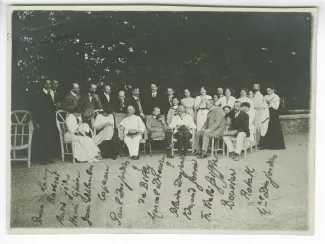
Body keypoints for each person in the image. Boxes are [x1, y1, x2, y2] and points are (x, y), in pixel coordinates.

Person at [32, 79, 60, 164]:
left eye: (50, 84)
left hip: (50, 121)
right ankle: (41, 159)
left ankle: (47, 157)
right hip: (42, 121)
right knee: (42, 139)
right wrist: (36, 122)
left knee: (49, 139)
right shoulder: (39, 95)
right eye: (46, 84)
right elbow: (35, 109)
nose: (48, 85)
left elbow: (51, 108)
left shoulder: (49, 95)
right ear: (43, 85)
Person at [259, 84, 286, 150]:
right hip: (266, 113)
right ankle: (265, 145)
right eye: (267, 90)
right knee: (265, 127)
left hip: (273, 114)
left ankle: (275, 145)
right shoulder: (265, 96)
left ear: (273, 90)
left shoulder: (276, 97)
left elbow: (276, 107)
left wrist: (270, 103)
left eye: (269, 90)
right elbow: (262, 105)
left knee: (274, 128)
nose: (268, 92)